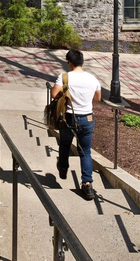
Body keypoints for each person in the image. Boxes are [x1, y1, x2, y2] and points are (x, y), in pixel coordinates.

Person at [51, 49, 101, 201]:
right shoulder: (93, 79)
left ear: (69, 62)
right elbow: (98, 98)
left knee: (65, 143)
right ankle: (87, 183)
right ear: (82, 62)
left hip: (69, 117)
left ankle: (63, 167)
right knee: (85, 151)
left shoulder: (65, 77)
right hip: (87, 118)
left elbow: (54, 94)